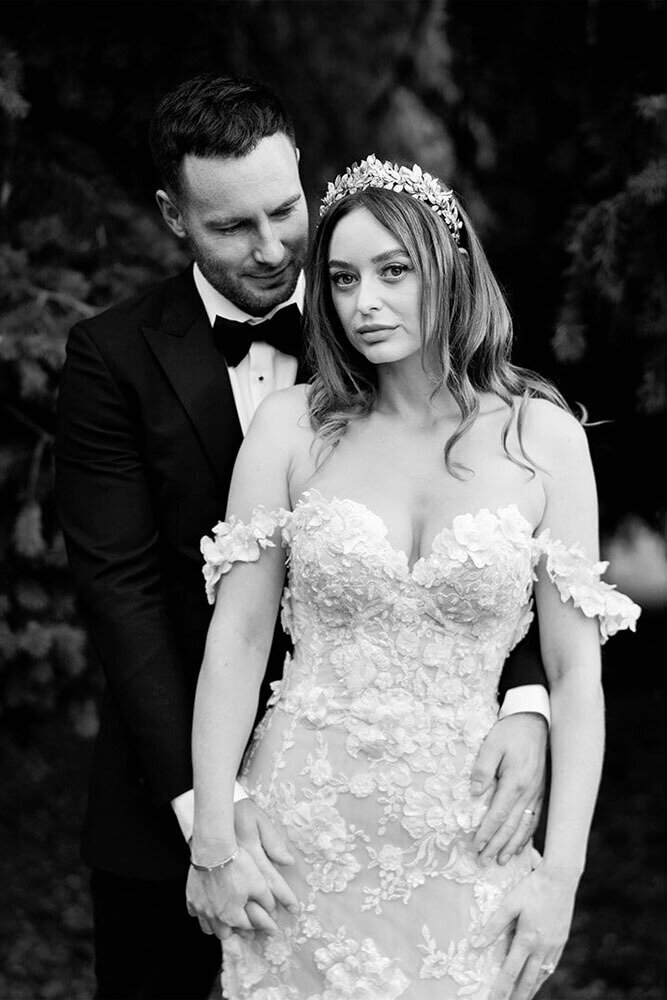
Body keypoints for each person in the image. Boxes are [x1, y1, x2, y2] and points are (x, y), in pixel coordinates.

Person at [55, 72, 549, 1000]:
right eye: (230, 227)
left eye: (284, 210)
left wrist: (526, 701)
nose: (274, 246)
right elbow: (121, 596)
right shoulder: (111, 359)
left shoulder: (385, 320)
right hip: (169, 798)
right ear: (172, 214)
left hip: (397, 811)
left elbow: (498, 524)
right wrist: (211, 813)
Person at [186, 155, 640, 1000]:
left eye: (394, 272)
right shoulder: (291, 429)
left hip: (471, 846)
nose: (366, 303)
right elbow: (239, 638)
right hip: (298, 839)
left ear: (449, 269)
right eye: (344, 277)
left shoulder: (542, 439)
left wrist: (561, 876)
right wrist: (213, 838)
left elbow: (577, 674)